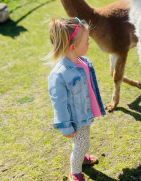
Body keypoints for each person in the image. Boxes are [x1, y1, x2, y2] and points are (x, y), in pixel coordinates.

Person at [47, 17, 106, 181]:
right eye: (86, 41)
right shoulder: (59, 75)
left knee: (83, 141)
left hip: (85, 115)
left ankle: (82, 155)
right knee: (81, 144)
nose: (89, 43)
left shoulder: (84, 62)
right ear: (72, 47)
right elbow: (59, 104)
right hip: (75, 120)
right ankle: (75, 171)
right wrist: (66, 127)